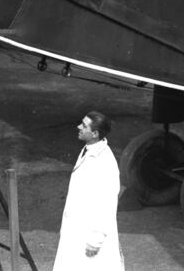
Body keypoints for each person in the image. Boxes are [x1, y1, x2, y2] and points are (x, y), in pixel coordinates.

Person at [53, 111, 123, 271]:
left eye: (84, 126)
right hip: (78, 229)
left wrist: (96, 240)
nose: (78, 127)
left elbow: (107, 203)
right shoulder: (89, 149)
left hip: (90, 237)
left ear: (95, 133)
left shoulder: (104, 162)